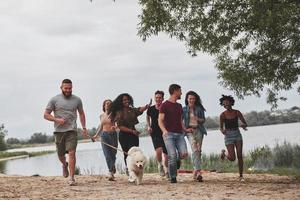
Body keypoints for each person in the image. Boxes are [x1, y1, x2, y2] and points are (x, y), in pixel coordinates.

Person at [44, 79, 88, 186]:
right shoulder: (54, 100)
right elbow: (46, 115)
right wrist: (57, 120)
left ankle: (72, 178)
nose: (68, 90)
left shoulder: (77, 100)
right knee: (60, 154)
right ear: (61, 88)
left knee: (72, 152)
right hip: (59, 131)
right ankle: (64, 164)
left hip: (72, 130)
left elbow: (81, 114)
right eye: (66, 88)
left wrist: (84, 128)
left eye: (70, 88)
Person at [109, 93, 150, 174]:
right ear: (121, 102)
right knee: (127, 154)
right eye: (124, 100)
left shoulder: (132, 110)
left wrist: (146, 107)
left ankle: (136, 170)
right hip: (124, 136)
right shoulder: (119, 112)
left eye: (128, 99)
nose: (127, 101)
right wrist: (132, 131)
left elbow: (139, 110)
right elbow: (120, 127)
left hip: (134, 135)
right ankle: (129, 171)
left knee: (136, 153)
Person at [158, 84, 188, 183]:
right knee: (172, 155)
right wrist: (164, 131)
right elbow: (160, 121)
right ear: (175, 91)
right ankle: (173, 177)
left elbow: (180, 121)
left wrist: (186, 130)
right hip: (169, 134)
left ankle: (177, 160)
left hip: (179, 134)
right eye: (180, 91)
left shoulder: (179, 106)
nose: (181, 93)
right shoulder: (164, 105)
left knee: (183, 154)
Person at [219, 95, 248, 182]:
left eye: (227, 102)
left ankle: (241, 176)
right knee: (232, 158)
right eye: (224, 103)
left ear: (231, 102)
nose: (226, 104)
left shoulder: (237, 112)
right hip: (228, 135)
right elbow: (220, 127)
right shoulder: (222, 115)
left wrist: (243, 125)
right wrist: (222, 131)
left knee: (239, 155)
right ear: (223, 105)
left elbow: (245, 123)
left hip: (237, 134)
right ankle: (224, 153)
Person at [183, 91, 207, 182]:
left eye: (193, 98)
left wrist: (198, 119)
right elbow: (180, 121)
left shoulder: (199, 109)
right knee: (195, 149)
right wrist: (185, 129)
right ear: (187, 99)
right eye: (190, 98)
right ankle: (198, 172)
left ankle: (195, 171)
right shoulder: (184, 109)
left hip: (199, 131)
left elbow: (203, 120)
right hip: (189, 131)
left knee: (198, 151)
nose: (191, 100)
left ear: (195, 99)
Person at [93, 99, 117, 181]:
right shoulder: (101, 116)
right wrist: (96, 135)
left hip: (113, 135)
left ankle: (112, 168)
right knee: (107, 155)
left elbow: (117, 124)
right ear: (104, 106)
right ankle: (111, 172)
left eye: (110, 104)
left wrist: (115, 127)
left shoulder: (114, 114)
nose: (108, 105)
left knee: (113, 155)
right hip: (104, 136)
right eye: (106, 104)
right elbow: (101, 126)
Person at [146, 90, 168, 177]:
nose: (158, 99)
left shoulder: (165, 108)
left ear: (163, 98)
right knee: (158, 151)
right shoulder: (151, 109)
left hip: (164, 132)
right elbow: (147, 117)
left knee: (166, 154)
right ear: (155, 98)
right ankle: (160, 165)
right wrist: (148, 126)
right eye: (156, 97)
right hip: (154, 132)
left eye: (160, 97)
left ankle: (167, 169)